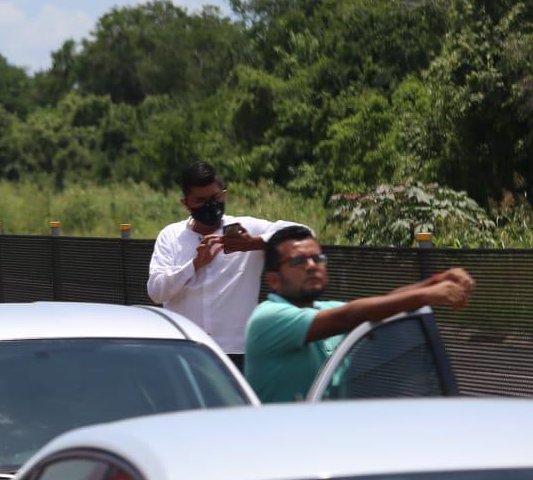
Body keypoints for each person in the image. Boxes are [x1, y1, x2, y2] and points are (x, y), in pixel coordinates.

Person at [244, 225, 475, 403]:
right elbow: (349, 316)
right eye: (298, 260)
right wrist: (426, 296)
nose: (312, 265)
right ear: (273, 280)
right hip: (282, 449)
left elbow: (384, 303)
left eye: (318, 258)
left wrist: (437, 281)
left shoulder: (321, 310)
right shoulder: (268, 317)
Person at [147, 162, 300, 370]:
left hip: (237, 352)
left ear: (224, 194)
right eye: (200, 201)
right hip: (185, 348)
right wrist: (194, 265)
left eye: (215, 198)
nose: (210, 205)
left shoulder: (246, 229)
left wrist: (256, 243)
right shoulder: (171, 236)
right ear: (186, 203)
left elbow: (304, 234)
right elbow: (156, 291)